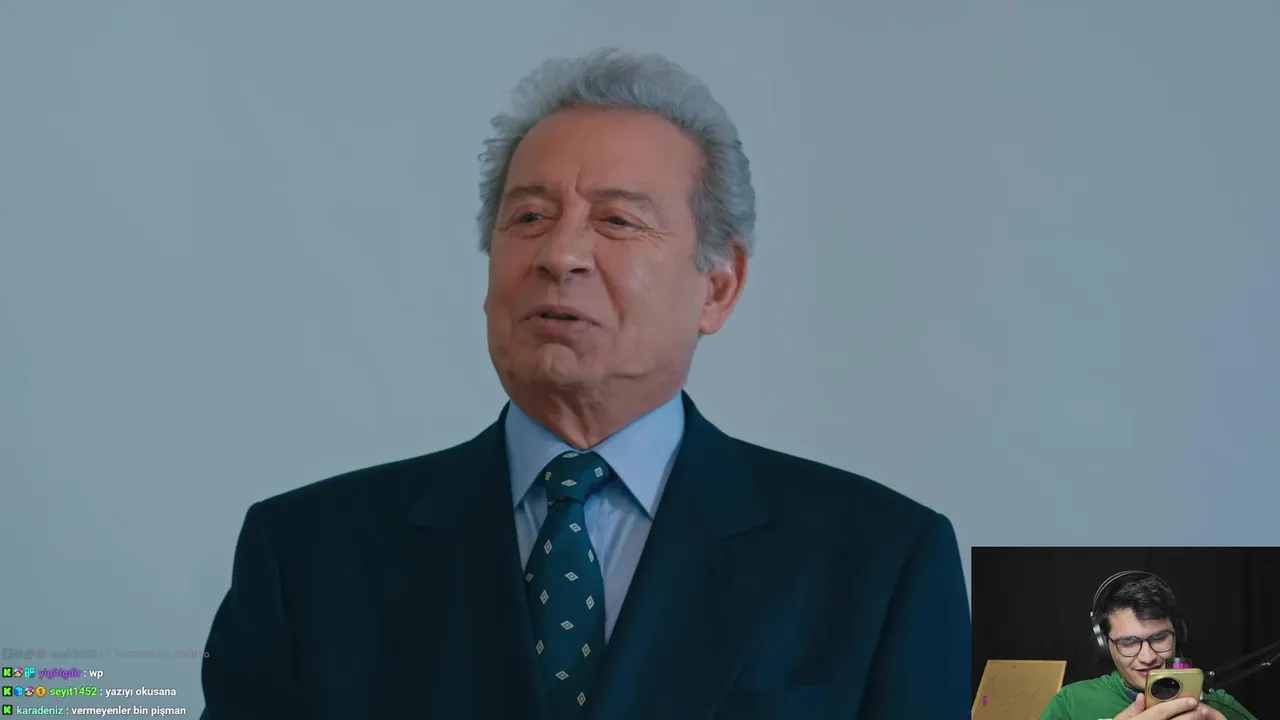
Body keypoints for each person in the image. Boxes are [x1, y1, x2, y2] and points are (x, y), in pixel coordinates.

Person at [199, 48, 971, 719]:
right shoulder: (307, 555)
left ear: (719, 287)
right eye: (529, 218)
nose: (558, 255)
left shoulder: (878, 562)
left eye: (618, 222)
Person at [1039, 572, 1256, 720]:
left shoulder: (1216, 701)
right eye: (1128, 642)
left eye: (1159, 638)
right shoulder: (1071, 703)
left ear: (1178, 635)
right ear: (1104, 645)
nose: (1148, 657)